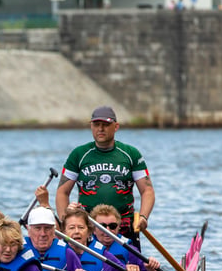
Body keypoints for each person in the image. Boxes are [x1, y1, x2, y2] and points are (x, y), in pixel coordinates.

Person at [54, 105, 155, 249]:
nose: (100, 129)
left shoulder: (131, 154)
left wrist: (144, 217)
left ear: (116, 126)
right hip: (89, 227)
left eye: (106, 125)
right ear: (91, 126)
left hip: (123, 226)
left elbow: (147, 191)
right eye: (96, 124)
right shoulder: (78, 155)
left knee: (133, 269)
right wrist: (67, 223)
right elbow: (62, 192)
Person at [62, 207, 146, 271]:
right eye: (71, 228)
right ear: (64, 232)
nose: (77, 232)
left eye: (81, 227)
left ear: (89, 232)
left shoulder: (102, 255)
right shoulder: (55, 251)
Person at [89, 203, 161, 271]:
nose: (107, 230)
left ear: (118, 228)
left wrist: (151, 269)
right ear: (93, 229)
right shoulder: (84, 247)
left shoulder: (130, 250)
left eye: (112, 226)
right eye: (102, 226)